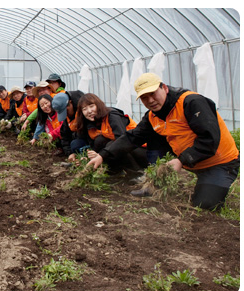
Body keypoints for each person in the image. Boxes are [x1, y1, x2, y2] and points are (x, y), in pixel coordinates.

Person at [88, 72, 240, 209]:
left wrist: (181, 160)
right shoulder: (153, 115)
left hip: (220, 162)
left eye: (153, 94)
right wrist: (103, 155)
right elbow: (131, 137)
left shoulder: (191, 102)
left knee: (205, 204)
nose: (151, 100)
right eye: (144, 97)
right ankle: (154, 183)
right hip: (191, 160)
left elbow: (210, 140)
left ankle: (214, 180)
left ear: (164, 88)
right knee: (152, 133)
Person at [76, 93, 147, 173]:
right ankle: (115, 169)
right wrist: (91, 156)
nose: (89, 111)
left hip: (141, 150)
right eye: (84, 109)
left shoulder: (112, 116)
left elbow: (123, 142)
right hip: (124, 150)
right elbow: (94, 146)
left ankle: (137, 172)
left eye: (92, 106)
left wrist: (101, 155)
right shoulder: (89, 125)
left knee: (111, 145)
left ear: (98, 105)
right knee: (99, 140)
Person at [51, 90, 90, 159]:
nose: (66, 114)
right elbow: (64, 136)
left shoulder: (84, 113)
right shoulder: (67, 119)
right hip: (78, 141)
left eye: (66, 111)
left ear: (70, 103)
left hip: (90, 142)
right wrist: (70, 153)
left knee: (75, 144)